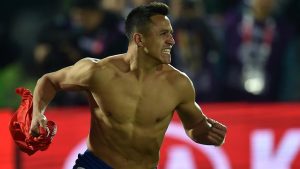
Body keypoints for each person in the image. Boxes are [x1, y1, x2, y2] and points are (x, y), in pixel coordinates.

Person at [30, 2, 227, 169]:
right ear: (139, 39)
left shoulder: (178, 84)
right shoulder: (99, 72)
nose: (172, 40)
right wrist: (38, 113)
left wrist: (208, 135)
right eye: (163, 34)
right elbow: (49, 80)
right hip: (96, 164)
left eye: (171, 33)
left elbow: (194, 128)